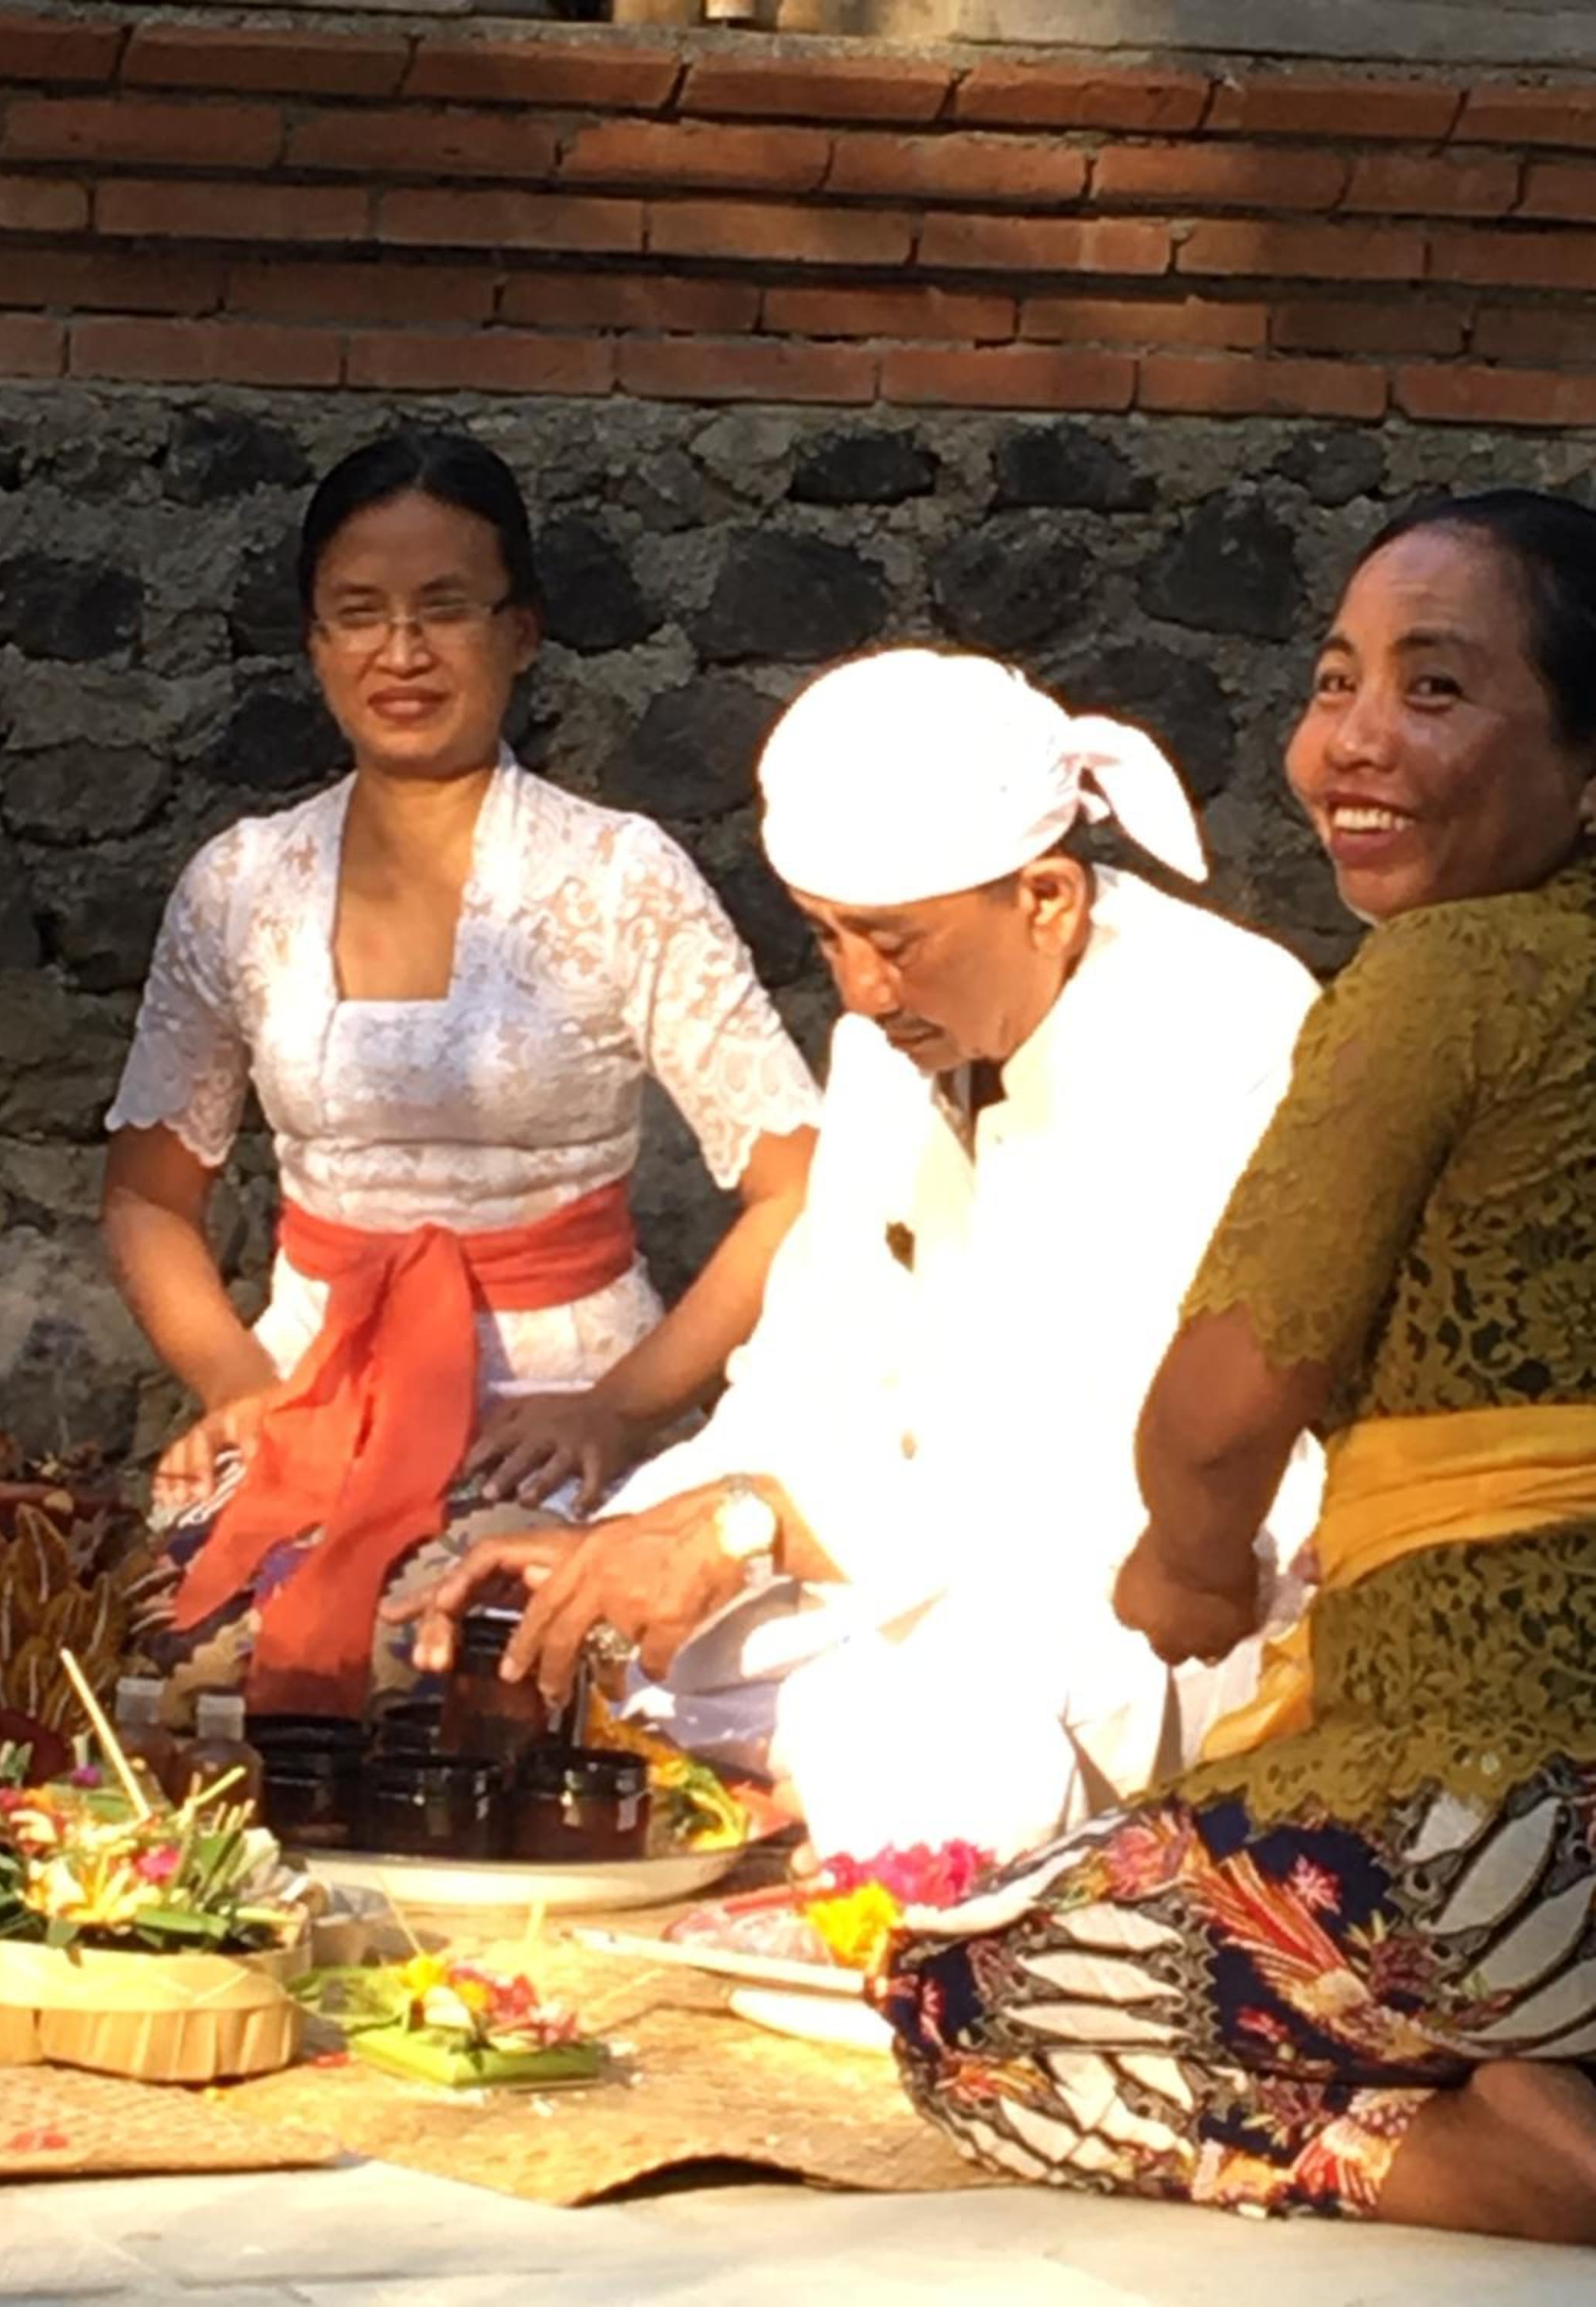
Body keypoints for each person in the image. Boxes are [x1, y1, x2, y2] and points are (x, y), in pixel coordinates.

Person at [876, 491, 1596, 2244]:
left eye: (1434, 690)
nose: (1353, 740)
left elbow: (1220, 1407)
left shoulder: (1445, 978)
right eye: (1337, 680)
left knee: (961, 2005)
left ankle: (1493, 2165)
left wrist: (1188, 1564)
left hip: (1520, 1828)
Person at [397, 647, 1322, 1860]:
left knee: (934, 1751)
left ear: (1045, 900)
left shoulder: (1218, 1031)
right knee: (585, 1644)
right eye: (828, 939)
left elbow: (1115, 1464)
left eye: (893, 942)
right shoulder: (889, 1051)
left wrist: (745, 1531)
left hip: (1141, 1580)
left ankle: (860, 1835)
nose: (863, 990)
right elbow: (802, 1373)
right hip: (902, 1552)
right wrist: (624, 1542)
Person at [101, 431, 819, 1714]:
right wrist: (238, 1387)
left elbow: (799, 1188)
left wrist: (619, 1407)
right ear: (314, 640)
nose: (402, 653)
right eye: (359, 614)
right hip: (309, 1390)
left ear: (520, 631)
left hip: (551, 1410)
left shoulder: (618, 876)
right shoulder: (242, 884)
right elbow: (150, 1195)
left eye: (444, 609)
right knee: (169, 1668)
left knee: (465, 1675)